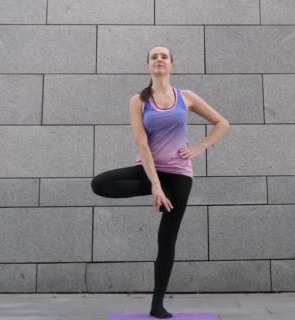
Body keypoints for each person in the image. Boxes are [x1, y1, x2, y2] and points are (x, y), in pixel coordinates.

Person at [91, 46, 230, 319]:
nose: (159, 60)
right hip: (149, 171)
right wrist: (154, 184)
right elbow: (141, 142)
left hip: (179, 176)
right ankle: (156, 191)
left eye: (163, 56)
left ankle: (157, 305)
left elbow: (222, 122)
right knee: (100, 183)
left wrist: (200, 146)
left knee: (166, 240)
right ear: (148, 66)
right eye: (154, 57)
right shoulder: (138, 100)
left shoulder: (186, 97)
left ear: (171, 65)